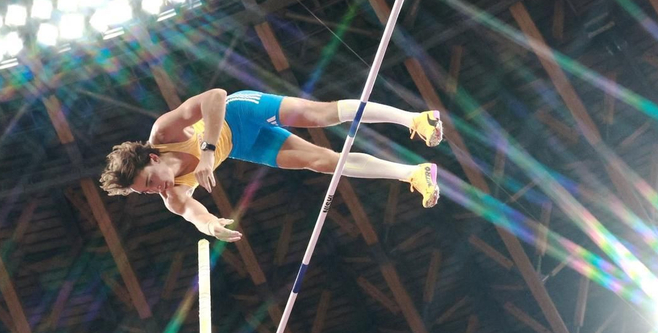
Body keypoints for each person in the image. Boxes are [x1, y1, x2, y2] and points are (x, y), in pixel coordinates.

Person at [99, 88, 442, 242]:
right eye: (146, 193)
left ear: (153, 158)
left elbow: (216, 96)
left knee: (321, 115)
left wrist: (206, 152)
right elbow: (194, 213)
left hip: (239, 111)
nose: (155, 190)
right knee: (323, 163)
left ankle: (415, 119)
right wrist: (211, 226)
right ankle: (413, 173)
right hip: (245, 145)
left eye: (148, 182)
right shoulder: (173, 196)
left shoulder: (164, 132)